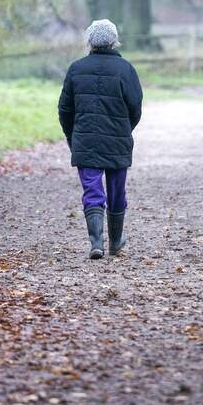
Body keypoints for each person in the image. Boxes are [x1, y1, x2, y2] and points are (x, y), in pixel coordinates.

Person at [58, 19, 143, 259]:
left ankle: (96, 244)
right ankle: (115, 242)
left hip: (85, 142)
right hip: (117, 140)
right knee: (117, 192)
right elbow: (135, 107)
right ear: (114, 41)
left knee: (92, 191)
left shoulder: (76, 68)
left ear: (90, 42)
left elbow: (65, 110)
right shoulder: (126, 69)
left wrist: (73, 137)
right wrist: (124, 129)